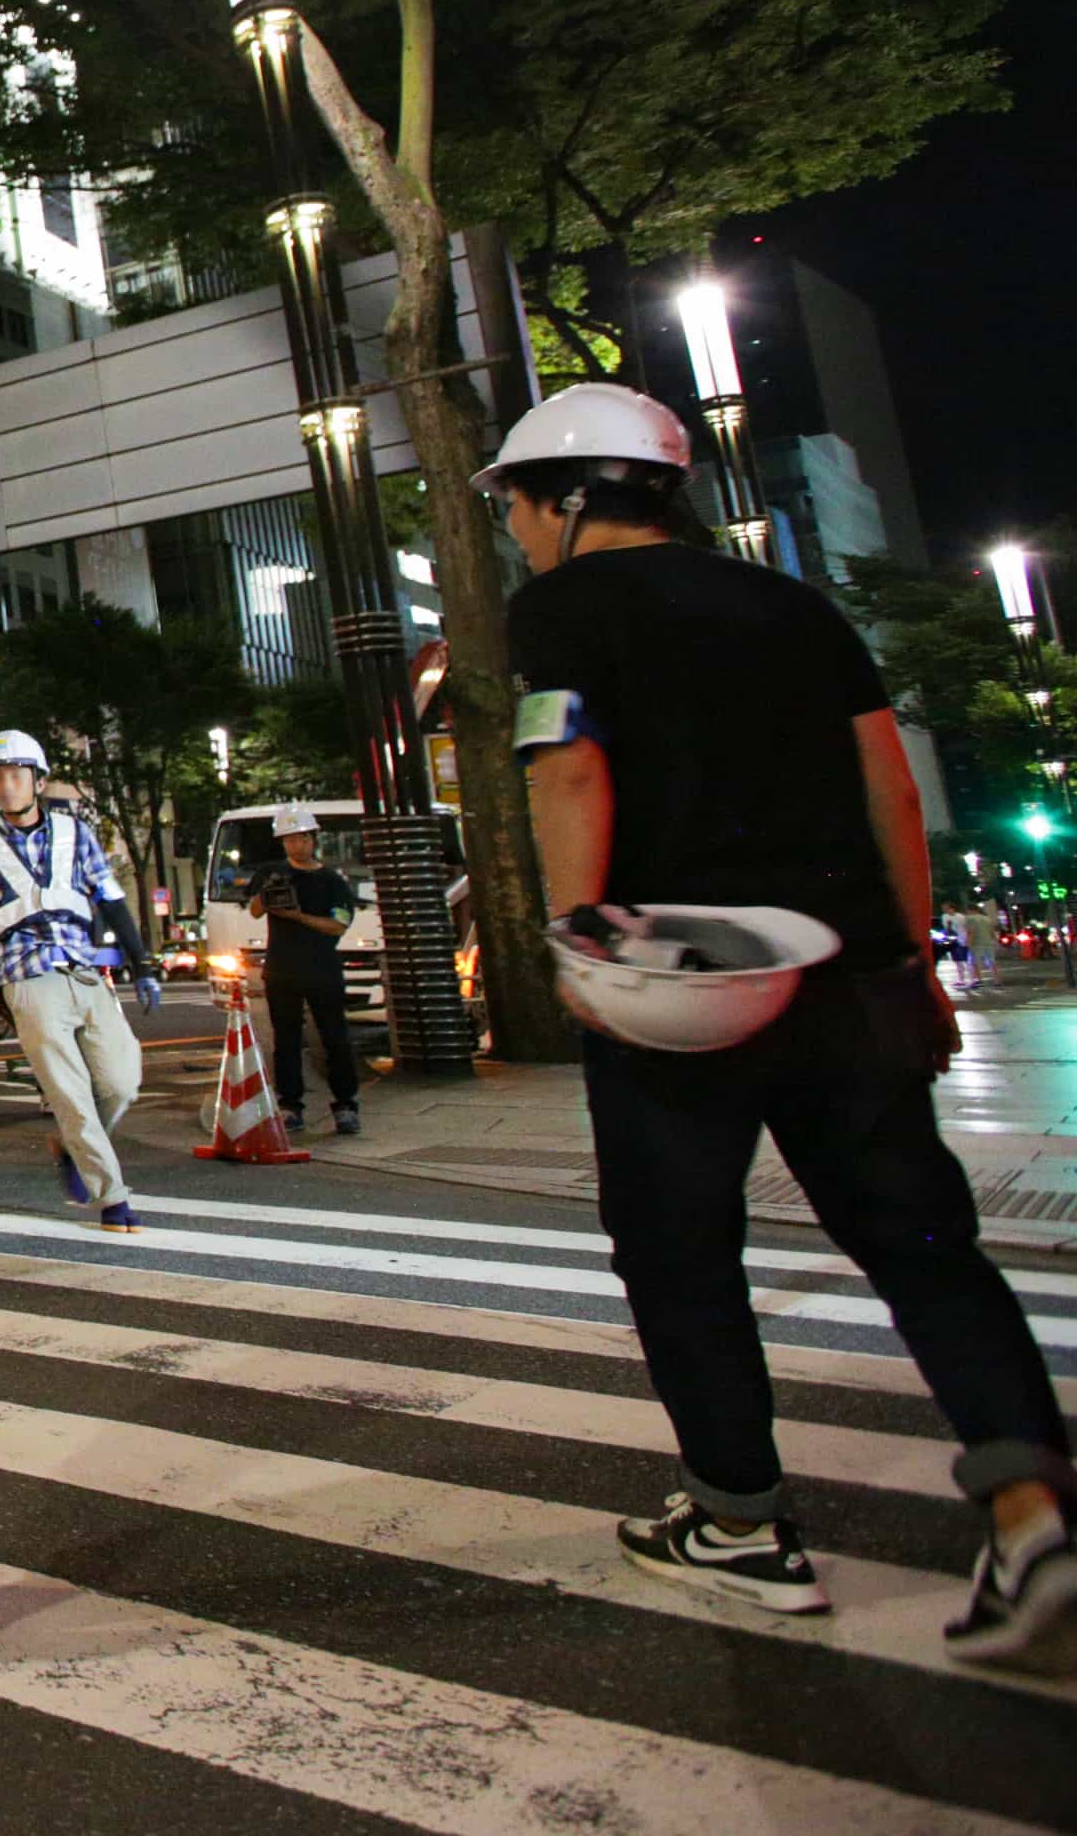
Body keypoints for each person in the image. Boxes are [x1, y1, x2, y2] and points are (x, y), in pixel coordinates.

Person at [492, 381, 1075, 1674]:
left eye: (522, 509)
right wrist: (913, 960)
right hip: (849, 969)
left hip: (684, 978)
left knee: (679, 1245)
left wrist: (581, 931)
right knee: (926, 1244)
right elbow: (891, 788)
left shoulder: (562, 608)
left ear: (573, 499)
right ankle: (1034, 1516)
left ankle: (742, 1522)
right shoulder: (796, 607)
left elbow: (570, 765)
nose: (521, 535)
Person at [0, 729, 164, 1234]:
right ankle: (112, 1197)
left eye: (15, 776)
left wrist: (144, 965)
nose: (6, 787)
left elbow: (112, 900)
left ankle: (73, 1147)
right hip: (25, 974)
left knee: (121, 1081)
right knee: (69, 1092)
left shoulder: (76, 833)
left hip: (83, 968)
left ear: (38, 780)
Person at [247, 807, 360, 1135]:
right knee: (286, 1041)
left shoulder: (332, 881)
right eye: (290, 839)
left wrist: (298, 916)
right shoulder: (272, 873)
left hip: (322, 969)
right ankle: (290, 1105)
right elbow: (255, 910)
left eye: (303, 837)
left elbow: (337, 925)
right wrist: (266, 895)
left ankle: (346, 1104)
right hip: (281, 970)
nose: (297, 845)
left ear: (313, 839)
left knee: (335, 1038)